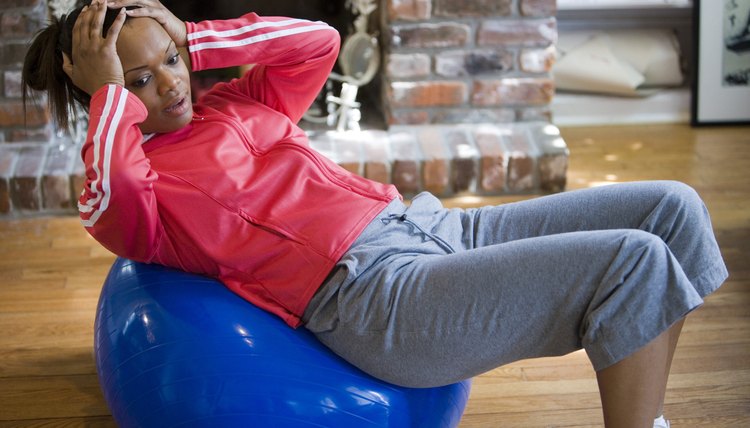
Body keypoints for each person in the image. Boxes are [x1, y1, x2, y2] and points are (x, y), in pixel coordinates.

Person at [22, 1, 728, 427]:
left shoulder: (236, 101)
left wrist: (196, 39)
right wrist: (112, 91)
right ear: (106, 95)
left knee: (672, 206)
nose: (170, 83)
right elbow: (106, 197)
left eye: (172, 60)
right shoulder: (143, 192)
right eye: (141, 78)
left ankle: (649, 412)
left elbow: (319, 40)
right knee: (631, 263)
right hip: (372, 297)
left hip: (430, 228)